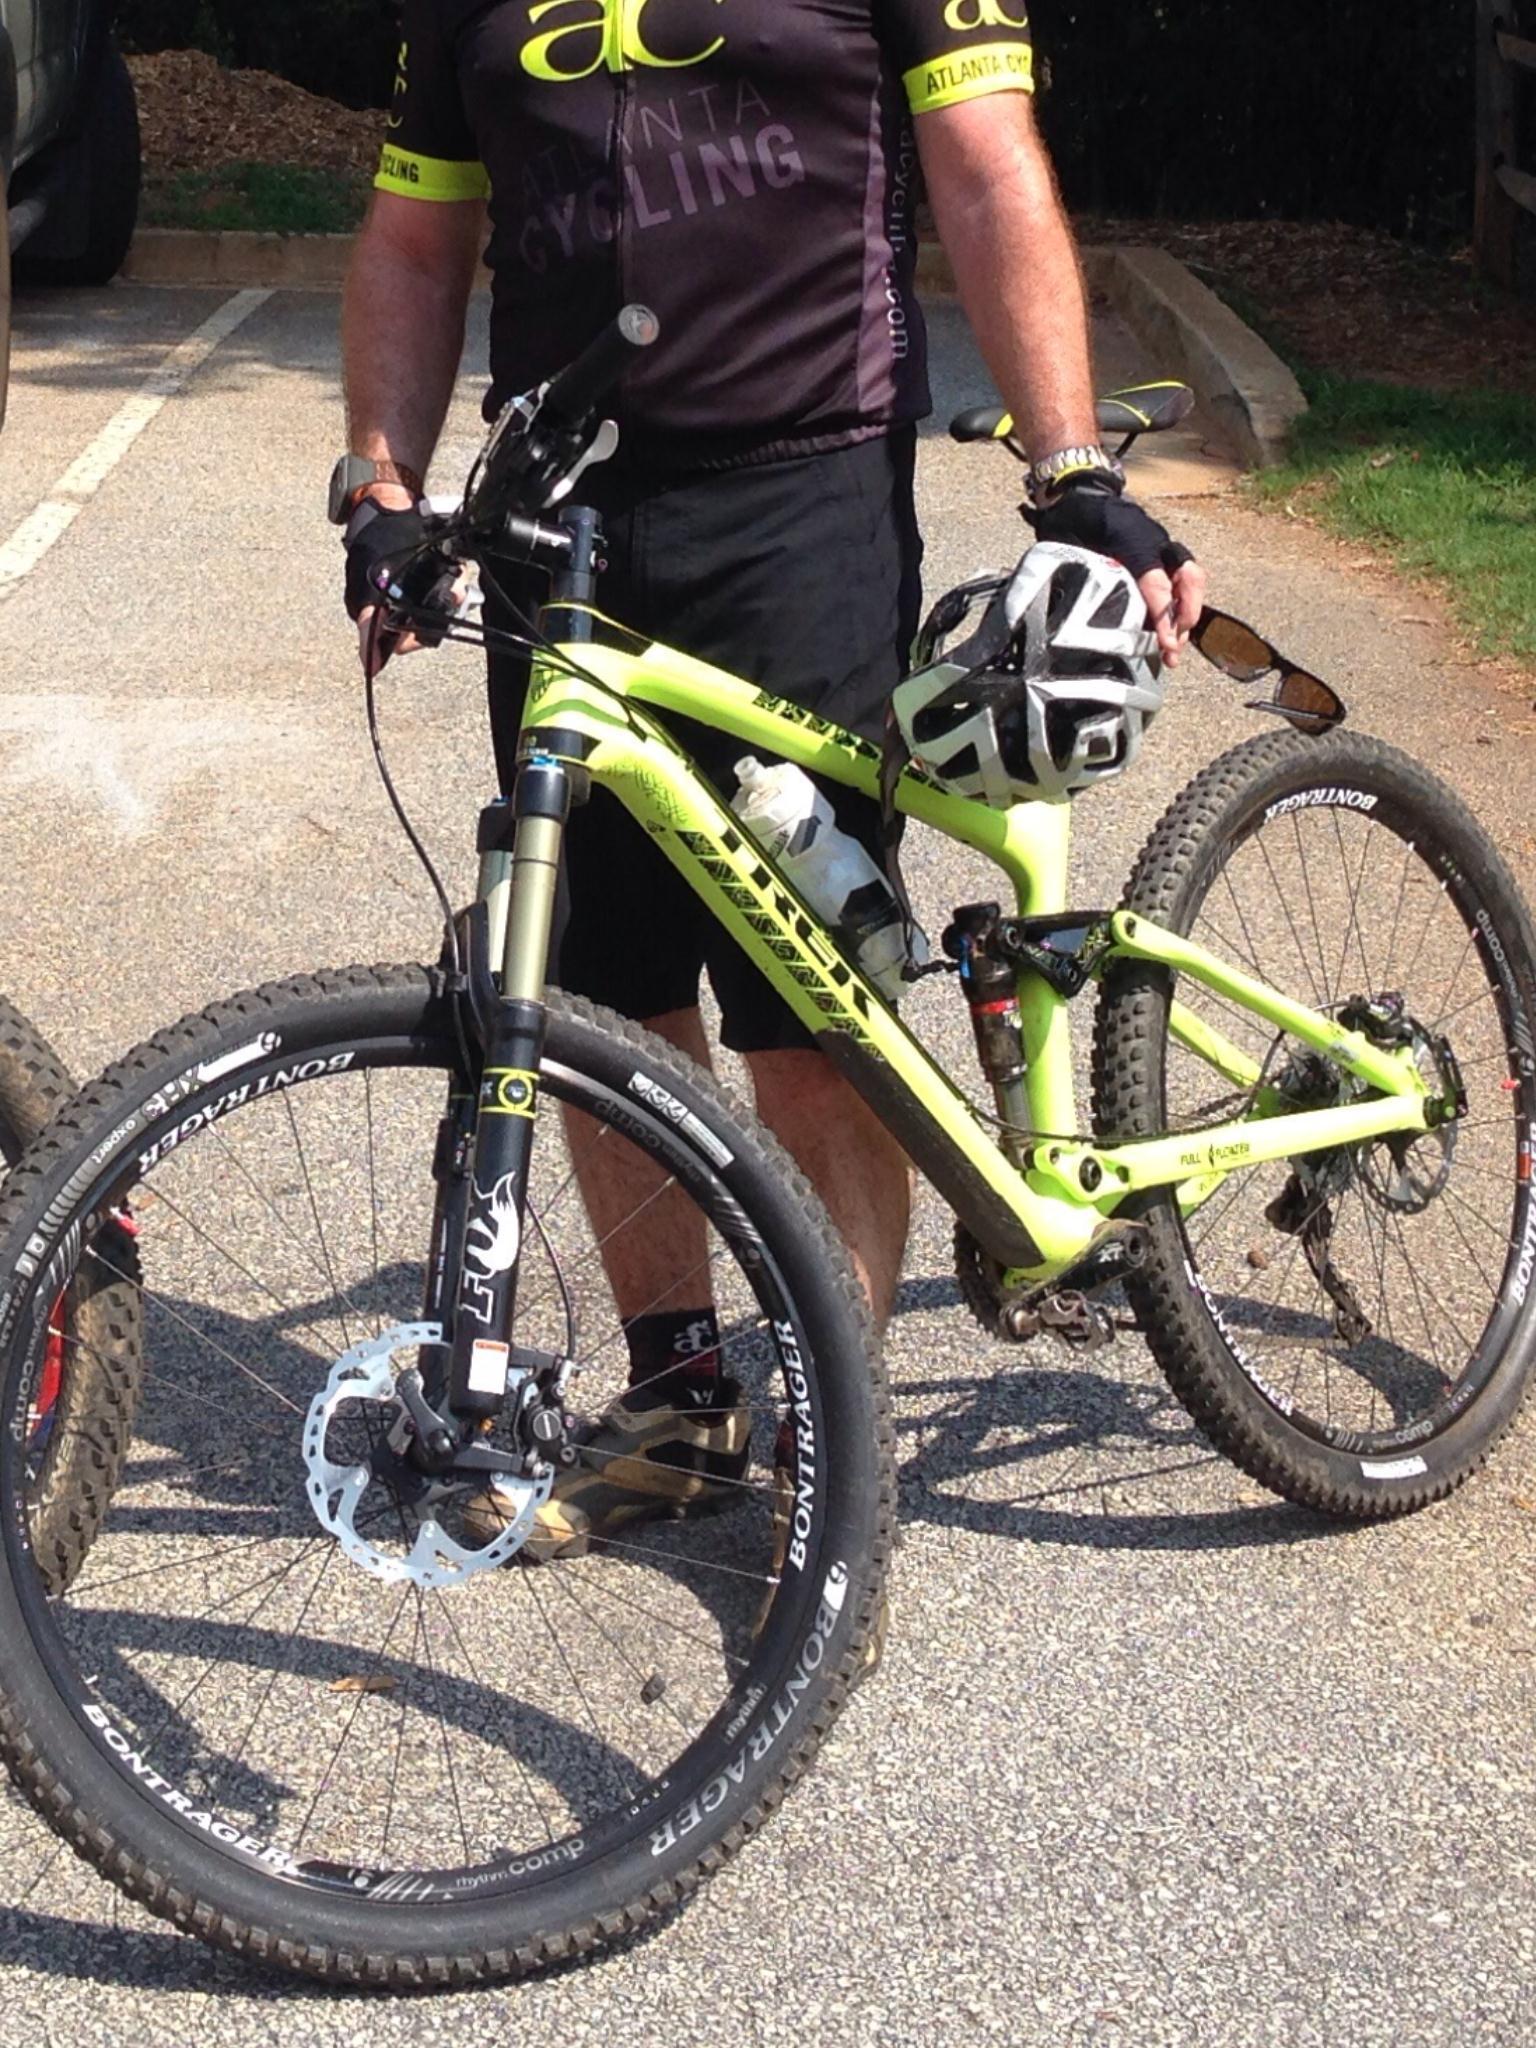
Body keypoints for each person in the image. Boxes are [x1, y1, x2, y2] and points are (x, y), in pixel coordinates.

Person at [336, 0, 1205, 1554]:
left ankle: (839, 1427)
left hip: (798, 498)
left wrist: (1074, 472)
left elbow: (991, 169)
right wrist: (383, 489)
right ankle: (680, 1403)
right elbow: (413, 238)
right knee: (596, 999)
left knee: (809, 1013)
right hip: (558, 523)